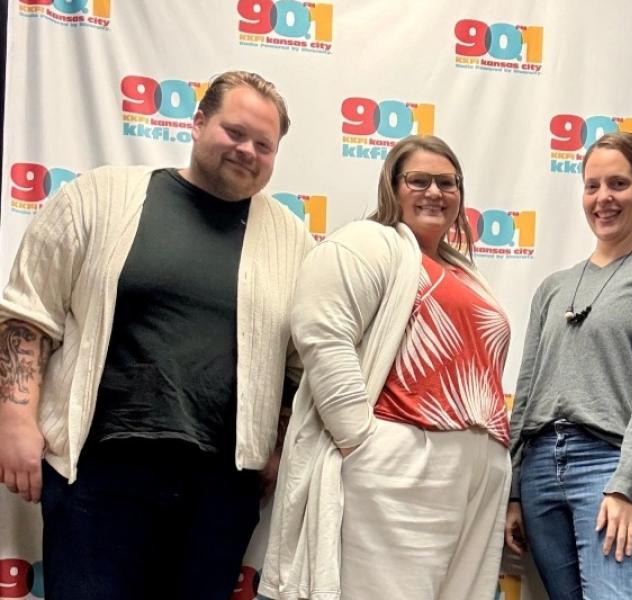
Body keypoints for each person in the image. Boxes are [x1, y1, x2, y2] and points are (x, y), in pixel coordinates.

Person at [0, 70, 315, 599]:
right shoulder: (100, 197)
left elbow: (298, 365)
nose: (247, 150)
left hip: (220, 491)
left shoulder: (292, 240)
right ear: (198, 123)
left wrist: (279, 447)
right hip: (96, 476)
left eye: (264, 145)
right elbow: (27, 314)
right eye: (235, 132)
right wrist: (14, 419)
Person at [260, 135, 511, 600]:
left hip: (476, 471)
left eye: (447, 182)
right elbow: (322, 330)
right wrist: (359, 440)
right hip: (400, 462)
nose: (434, 192)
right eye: (419, 180)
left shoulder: (465, 272)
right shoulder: (367, 241)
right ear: (392, 187)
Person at [503, 132, 632, 599]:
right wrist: (513, 490)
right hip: (539, 471)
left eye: (619, 184)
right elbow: (526, 393)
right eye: (592, 186)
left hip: (611, 463)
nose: (603, 198)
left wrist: (629, 485)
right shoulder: (553, 287)